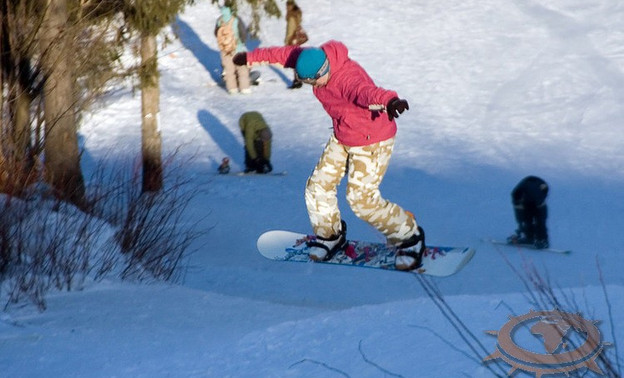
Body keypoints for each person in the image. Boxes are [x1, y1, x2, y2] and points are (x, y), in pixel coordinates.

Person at [232, 41, 425, 270]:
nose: (310, 86)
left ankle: (410, 237)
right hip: (344, 135)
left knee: (361, 200)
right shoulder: (312, 58)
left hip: (371, 140)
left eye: (311, 81)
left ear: (321, 73)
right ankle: (330, 235)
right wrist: (250, 58)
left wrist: (389, 101)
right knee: (317, 187)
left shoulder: (345, 80)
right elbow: (281, 54)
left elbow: (366, 92)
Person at [215, 6, 251, 94]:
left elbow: (216, 33)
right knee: (242, 69)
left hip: (225, 50)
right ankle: (244, 88)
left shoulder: (219, 20)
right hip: (238, 48)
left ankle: (232, 89)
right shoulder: (236, 19)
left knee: (229, 71)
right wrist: (241, 43)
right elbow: (243, 34)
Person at [507, 176, 549, 249]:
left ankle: (543, 240)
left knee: (540, 220)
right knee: (526, 218)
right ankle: (528, 237)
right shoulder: (515, 194)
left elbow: (540, 218)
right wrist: (521, 226)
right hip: (529, 198)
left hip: (539, 200)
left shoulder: (537, 195)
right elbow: (519, 215)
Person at [284, 0, 307, 89]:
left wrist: (287, 42)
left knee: (294, 61)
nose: (286, 8)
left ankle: (297, 81)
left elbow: (290, 30)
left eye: (287, 6)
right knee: (297, 60)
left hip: (292, 41)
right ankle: (299, 79)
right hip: (296, 41)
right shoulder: (297, 13)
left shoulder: (291, 16)